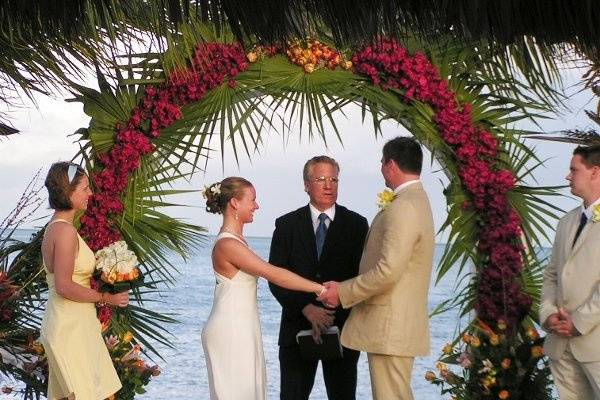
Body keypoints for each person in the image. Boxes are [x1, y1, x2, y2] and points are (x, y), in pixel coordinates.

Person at [319, 137, 435, 400]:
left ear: (391, 164)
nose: (381, 168)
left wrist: (344, 291)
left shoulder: (404, 205)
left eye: (382, 162)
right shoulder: (417, 199)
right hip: (397, 325)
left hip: (390, 327)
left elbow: (388, 270)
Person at [200, 177, 327, 400]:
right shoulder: (227, 245)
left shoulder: (237, 242)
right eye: (253, 200)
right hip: (231, 330)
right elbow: (274, 273)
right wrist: (320, 289)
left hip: (243, 327)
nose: (257, 206)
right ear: (235, 203)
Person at [268, 156, 368, 400]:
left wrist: (336, 305)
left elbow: (362, 277)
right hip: (296, 330)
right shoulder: (286, 225)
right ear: (306, 184)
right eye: (321, 179)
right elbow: (275, 277)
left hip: (343, 329)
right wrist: (306, 309)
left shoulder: (357, 224)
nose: (328, 186)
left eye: (334, 179)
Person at [40, 162, 128, 400]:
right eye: (86, 188)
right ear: (69, 192)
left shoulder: (56, 228)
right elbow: (64, 285)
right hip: (69, 327)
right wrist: (105, 297)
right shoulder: (65, 232)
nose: (91, 194)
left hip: (72, 323)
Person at [540, 145, 600, 400]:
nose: (567, 176)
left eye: (574, 170)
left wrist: (578, 322)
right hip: (561, 345)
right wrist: (549, 314)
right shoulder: (567, 222)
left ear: (595, 172)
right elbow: (552, 274)